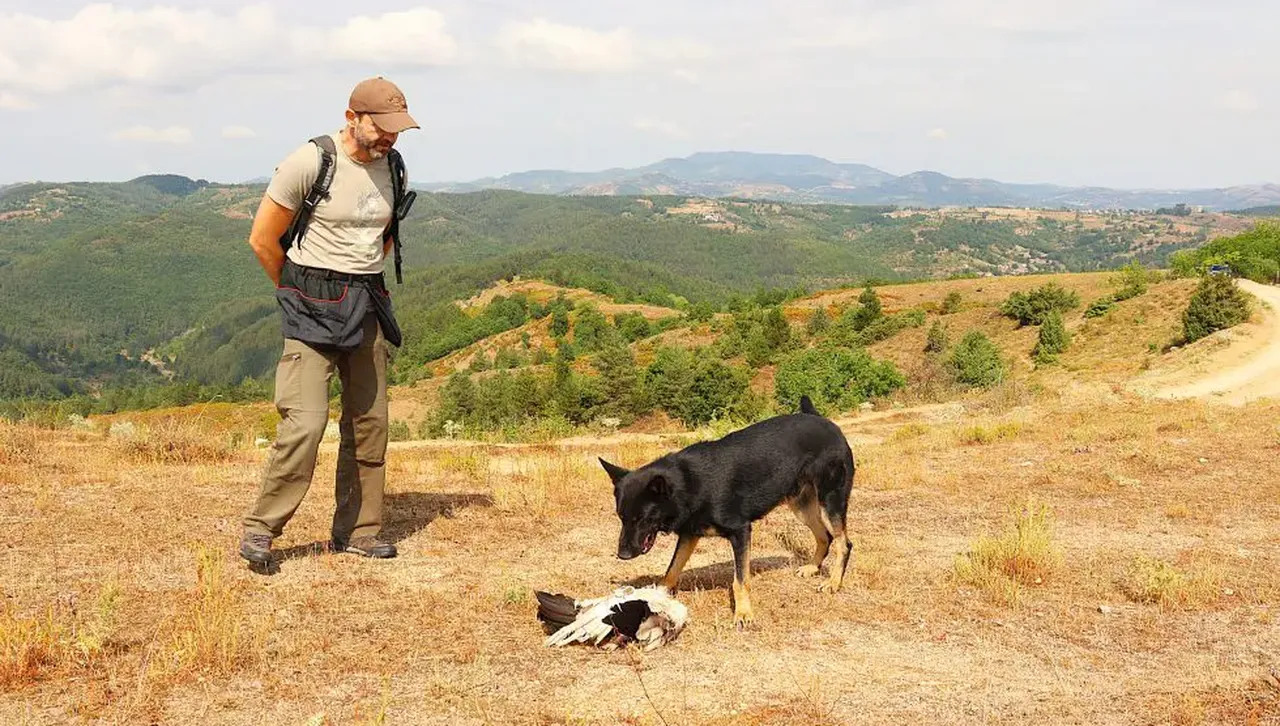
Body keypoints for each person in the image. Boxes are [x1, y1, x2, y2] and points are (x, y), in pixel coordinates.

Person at [239, 76, 418, 565]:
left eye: (397, 130)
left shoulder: (395, 166)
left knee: (370, 423)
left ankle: (359, 530)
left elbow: (384, 235)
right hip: (310, 304)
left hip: (367, 302)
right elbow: (262, 239)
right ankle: (261, 529)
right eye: (381, 127)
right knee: (305, 422)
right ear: (351, 117)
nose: (389, 137)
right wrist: (296, 293)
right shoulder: (310, 161)